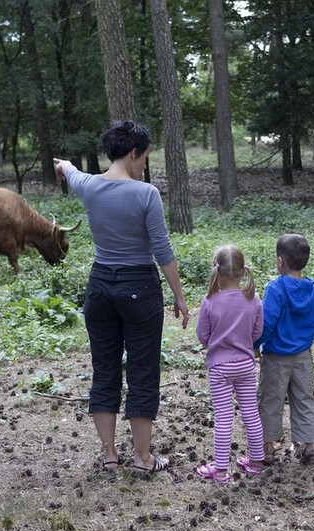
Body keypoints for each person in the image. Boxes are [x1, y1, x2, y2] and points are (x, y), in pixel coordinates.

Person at [53, 120, 189, 476]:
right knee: (143, 370)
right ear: (133, 153)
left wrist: (62, 166)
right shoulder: (145, 194)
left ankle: (109, 454)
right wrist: (179, 295)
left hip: (99, 287)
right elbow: (162, 249)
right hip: (139, 288)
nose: (144, 164)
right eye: (144, 156)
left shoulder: (90, 187)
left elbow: (72, 171)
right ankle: (143, 459)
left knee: (105, 368)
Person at [254, 234, 314, 465]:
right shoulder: (312, 288)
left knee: (270, 400)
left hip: (276, 356)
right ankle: (310, 448)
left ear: (279, 261)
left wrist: (255, 344)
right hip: (303, 357)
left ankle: (267, 449)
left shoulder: (275, 288)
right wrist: (307, 338)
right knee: (305, 400)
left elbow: (268, 322)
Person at [196, 245, 265, 482]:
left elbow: (203, 336)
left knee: (224, 417)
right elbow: (257, 333)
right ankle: (256, 462)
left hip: (220, 367)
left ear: (217, 271)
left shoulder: (209, 301)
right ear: (242, 272)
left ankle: (221, 469)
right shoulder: (253, 299)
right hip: (246, 365)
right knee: (251, 414)